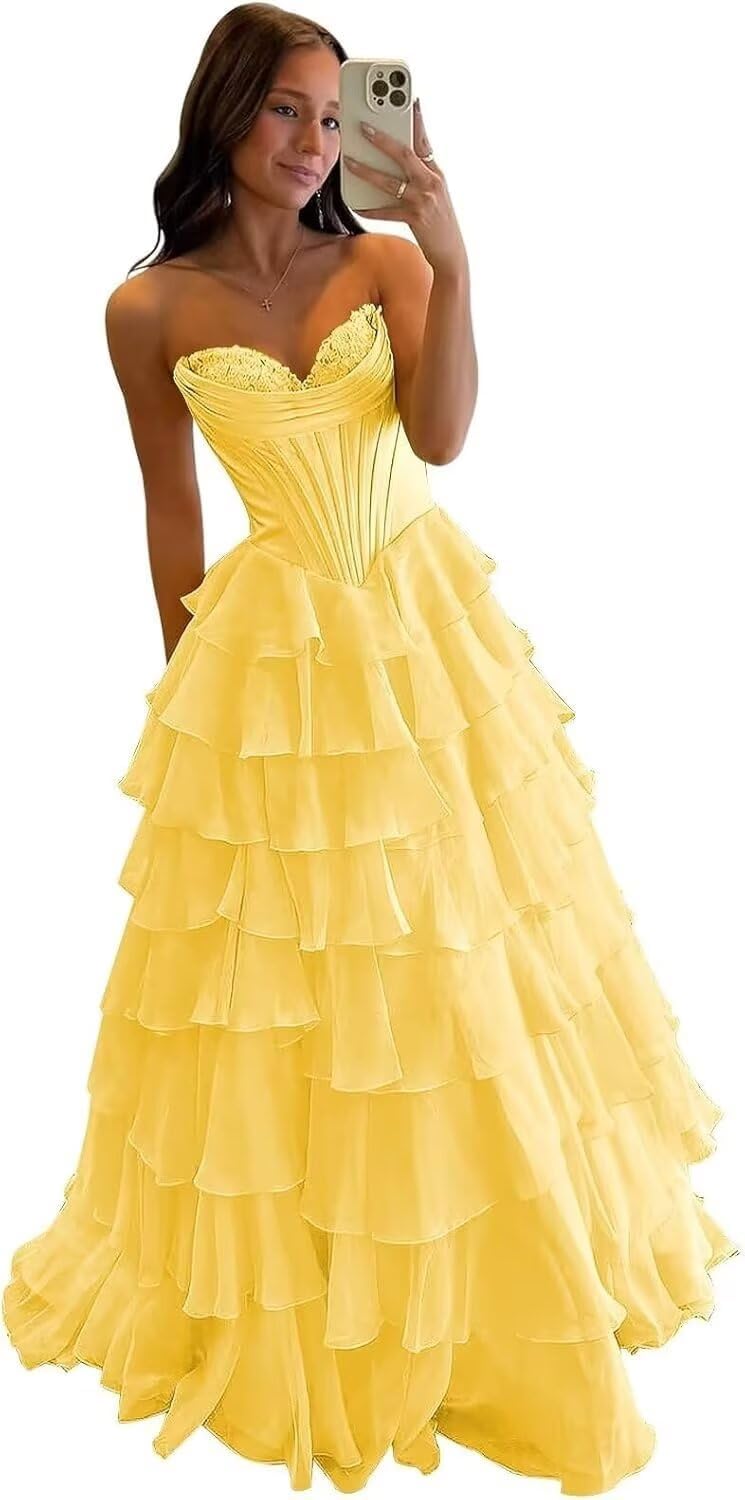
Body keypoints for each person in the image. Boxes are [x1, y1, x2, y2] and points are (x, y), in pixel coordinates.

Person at [2, 5, 738, 1493]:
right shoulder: (145, 310)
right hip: (270, 660)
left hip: (419, 633)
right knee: (289, 974)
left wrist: (451, 257)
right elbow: (169, 509)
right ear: (224, 112)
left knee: (462, 943)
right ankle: (322, 1268)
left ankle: (505, 1262)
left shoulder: (386, 264)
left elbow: (443, 437)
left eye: (334, 117)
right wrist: (193, 708)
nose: (313, 142)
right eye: (287, 110)